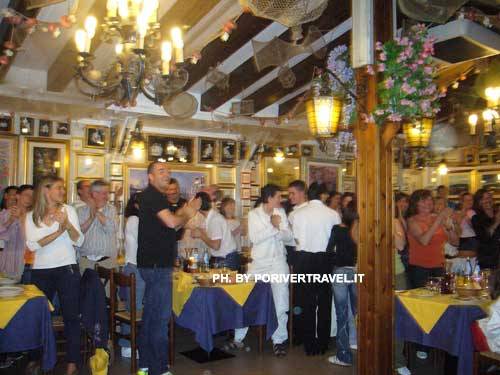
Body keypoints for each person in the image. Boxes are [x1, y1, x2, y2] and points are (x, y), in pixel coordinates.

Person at [137, 161, 201, 375]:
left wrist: (185, 211)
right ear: (151, 177)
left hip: (153, 265)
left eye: (168, 171)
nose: (167, 174)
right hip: (157, 266)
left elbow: (171, 228)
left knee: (150, 318)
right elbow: (173, 223)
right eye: (161, 171)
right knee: (160, 320)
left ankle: (145, 365)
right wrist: (189, 211)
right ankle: (159, 368)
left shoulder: (155, 198)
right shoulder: (153, 195)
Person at [24, 176, 84, 375]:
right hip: (41, 270)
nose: (62, 192)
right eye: (58, 188)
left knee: (71, 317)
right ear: (46, 190)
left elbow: (79, 241)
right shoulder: (32, 215)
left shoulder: (69, 210)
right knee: (39, 317)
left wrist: (66, 224)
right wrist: (58, 232)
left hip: (67, 268)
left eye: (63, 188)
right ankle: (37, 359)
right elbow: (32, 245)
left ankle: (72, 362)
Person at [232, 184, 292, 356]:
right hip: (259, 263)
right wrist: (273, 227)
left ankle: (279, 340)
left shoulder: (280, 212)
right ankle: (239, 337)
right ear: (269, 198)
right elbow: (256, 238)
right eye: (279, 197)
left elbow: (288, 236)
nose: (281, 200)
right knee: (245, 296)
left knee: (281, 301)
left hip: (279, 262)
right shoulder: (254, 214)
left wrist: (278, 230)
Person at [290, 182, 341, 356]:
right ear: (323, 196)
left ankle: (309, 343)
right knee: (325, 302)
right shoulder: (333, 214)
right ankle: (323, 342)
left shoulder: (297, 214)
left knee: (306, 303)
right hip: (325, 260)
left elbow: (296, 240)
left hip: (303, 259)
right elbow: (336, 242)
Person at [406, 189, 459, 288]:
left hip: (439, 265)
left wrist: (449, 228)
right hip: (419, 268)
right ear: (415, 203)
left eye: (430, 200)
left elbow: (455, 242)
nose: (428, 203)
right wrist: (440, 218)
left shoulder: (436, 218)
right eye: (423, 200)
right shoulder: (412, 220)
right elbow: (424, 241)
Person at [327, 204, 358, 367]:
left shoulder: (337, 229)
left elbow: (329, 250)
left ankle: (344, 355)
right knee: (357, 311)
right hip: (357, 271)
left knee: (341, 313)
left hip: (340, 271)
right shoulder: (359, 230)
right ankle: (359, 343)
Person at [119, 193, 146, 358]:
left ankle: (130, 344)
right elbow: (144, 243)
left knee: (134, 307)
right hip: (136, 268)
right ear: (137, 204)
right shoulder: (135, 220)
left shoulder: (134, 220)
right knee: (134, 309)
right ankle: (127, 345)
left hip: (135, 267)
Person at [191, 192, 239, 270]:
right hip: (224, 258)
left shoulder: (214, 219)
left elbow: (216, 246)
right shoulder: (211, 217)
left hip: (226, 260)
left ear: (199, 204)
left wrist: (201, 235)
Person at [77, 180, 118, 272]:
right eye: (104, 193)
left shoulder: (112, 210)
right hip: (86, 262)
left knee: (107, 287)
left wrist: (95, 210)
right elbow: (78, 233)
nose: (107, 196)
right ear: (94, 194)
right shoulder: (81, 211)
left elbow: (112, 229)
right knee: (85, 287)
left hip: (107, 262)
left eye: (107, 193)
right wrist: (91, 217)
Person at [0, 185, 33, 278]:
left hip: (29, 262)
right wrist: (11, 220)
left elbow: (30, 239)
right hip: (9, 263)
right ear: (17, 196)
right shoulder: (4, 214)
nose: (30, 198)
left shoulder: (33, 216)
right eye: (27, 195)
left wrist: (21, 219)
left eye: (32, 196)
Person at [472, 269, 500, 354]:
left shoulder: (497, 305)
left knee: (467, 325)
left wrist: (481, 322)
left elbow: (491, 331)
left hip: (496, 345)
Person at [471, 189, 500, 269]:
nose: (488, 200)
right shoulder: (476, 218)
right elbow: (484, 237)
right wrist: (497, 222)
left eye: (489, 197)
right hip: (488, 259)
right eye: (484, 199)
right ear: (479, 202)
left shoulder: (497, 213)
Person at [394, 192, 410, 290]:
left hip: (406, 255)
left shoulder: (409, 216)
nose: (403, 204)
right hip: (401, 255)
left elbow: (405, 232)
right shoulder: (395, 219)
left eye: (406, 201)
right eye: (400, 201)